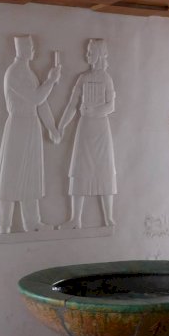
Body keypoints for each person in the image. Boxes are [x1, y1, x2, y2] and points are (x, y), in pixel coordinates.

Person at [0, 35, 61, 234]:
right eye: (30, 46)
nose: (33, 50)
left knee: (31, 175)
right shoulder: (15, 72)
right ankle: (3, 225)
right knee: (10, 175)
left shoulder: (28, 72)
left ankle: (32, 223)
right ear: (20, 48)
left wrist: (52, 128)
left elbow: (41, 104)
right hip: (19, 127)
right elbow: (35, 98)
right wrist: (50, 81)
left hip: (31, 126)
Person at [57, 38, 117, 229]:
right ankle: (76, 219)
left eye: (90, 52)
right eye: (87, 52)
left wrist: (94, 111)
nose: (87, 55)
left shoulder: (106, 79)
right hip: (85, 129)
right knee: (80, 169)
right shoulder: (82, 78)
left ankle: (108, 217)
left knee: (104, 168)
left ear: (99, 54)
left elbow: (111, 105)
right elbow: (72, 105)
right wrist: (61, 126)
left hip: (100, 129)